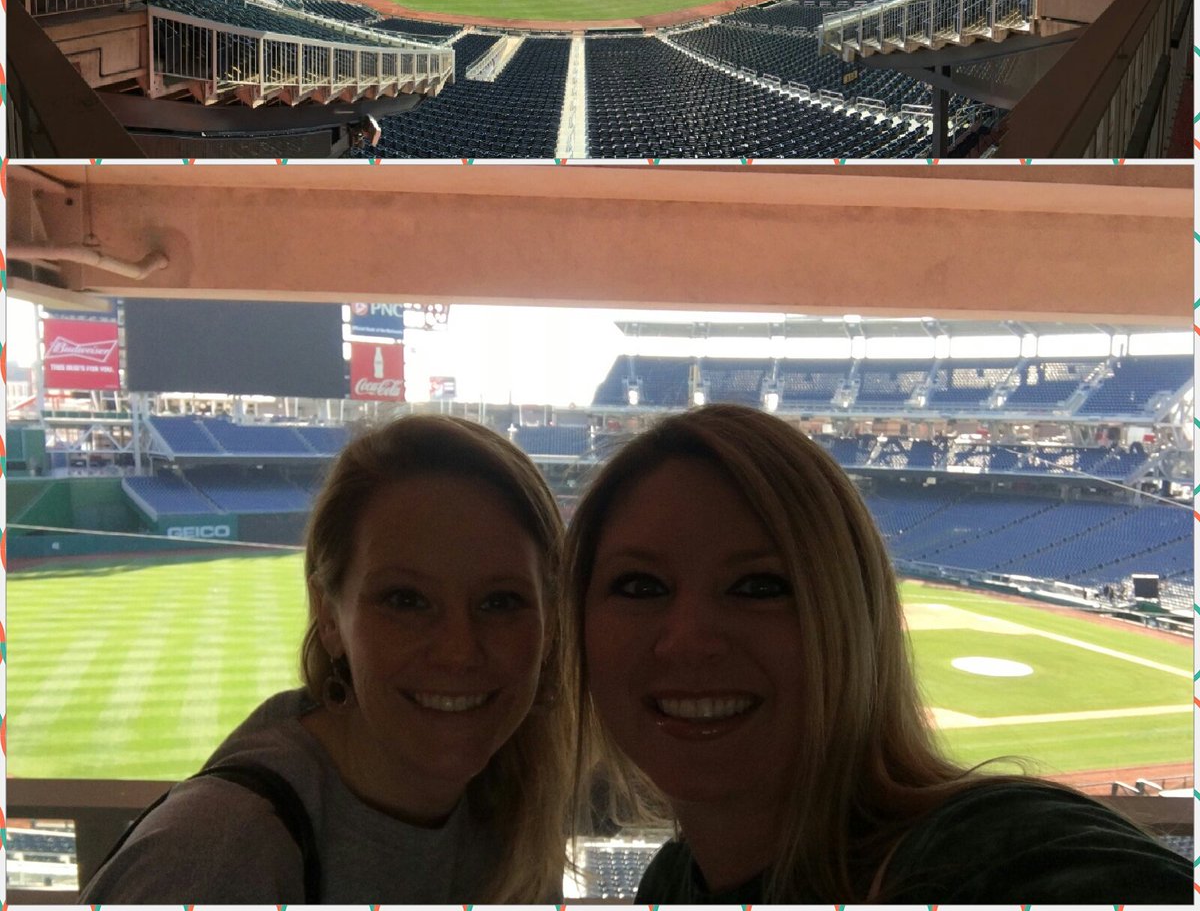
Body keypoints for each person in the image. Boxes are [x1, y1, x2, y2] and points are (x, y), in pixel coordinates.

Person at [564, 404, 1191, 903]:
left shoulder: (998, 858)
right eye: (639, 586)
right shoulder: (673, 884)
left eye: (760, 586)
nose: (688, 640)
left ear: (850, 617)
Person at [83, 415, 573, 903]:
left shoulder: (515, 809)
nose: (459, 650)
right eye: (405, 600)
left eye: (502, 602)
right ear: (329, 616)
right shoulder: (215, 856)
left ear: (549, 622)